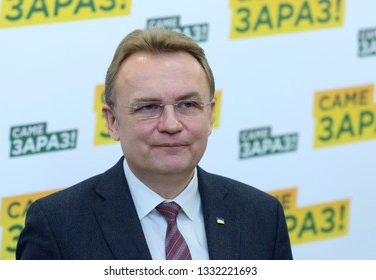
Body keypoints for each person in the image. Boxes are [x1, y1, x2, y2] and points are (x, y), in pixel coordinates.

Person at [16, 28, 293, 260]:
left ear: (210, 115)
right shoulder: (56, 226)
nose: (171, 125)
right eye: (149, 107)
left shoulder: (262, 216)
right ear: (112, 121)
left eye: (187, 104)